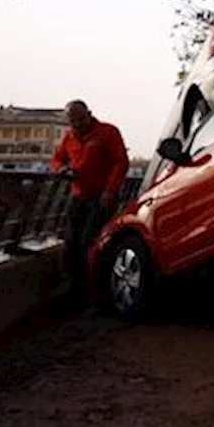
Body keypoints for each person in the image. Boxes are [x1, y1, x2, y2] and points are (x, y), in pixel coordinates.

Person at [50, 100, 129, 297]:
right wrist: (61, 169)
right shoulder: (69, 138)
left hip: (102, 198)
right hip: (79, 197)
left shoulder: (108, 132)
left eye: (81, 119)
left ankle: (97, 291)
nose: (78, 124)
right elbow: (57, 159)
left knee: (91, 242)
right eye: (73, 120)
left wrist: (110, 191)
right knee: (71, 243)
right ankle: (77, 289)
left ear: (89, 114)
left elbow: (121, 162)